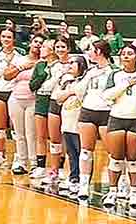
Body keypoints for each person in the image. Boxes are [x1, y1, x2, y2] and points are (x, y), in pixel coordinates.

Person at [99, 45, 136, 209]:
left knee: (133, 160)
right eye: (123, 53)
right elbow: (106, 95)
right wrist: (125, 84)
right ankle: (113, 191)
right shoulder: (115, 75)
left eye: (130, 53)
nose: (126, 56)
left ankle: (133, 192)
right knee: (116, 158)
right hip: (117, 119)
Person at [75, 40, 118, 202]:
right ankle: (84, 184)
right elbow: (79, 90)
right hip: (88, 111)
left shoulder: (114, 71)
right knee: (86, 150)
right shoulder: (91, 71)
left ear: (99, 52)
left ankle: (118, 186)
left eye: (91, 50)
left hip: (107, 113)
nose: (89, 53)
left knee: (113, 152)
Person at [0, 27, 28, 171]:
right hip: (0, 91)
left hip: (15, 92)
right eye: (3, 37)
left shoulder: (21, 53)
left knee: (16, 128)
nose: (6, 40)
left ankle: (19, 157)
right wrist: (3, 68)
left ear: (14, 39)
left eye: (9, 37)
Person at [3, 34, 44, 175]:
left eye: (41, 43)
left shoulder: (44, 62)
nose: (37, 44)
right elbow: (6, 75)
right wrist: (21, 67)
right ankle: (21, 161)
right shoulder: (20, 59)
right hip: (16, 98)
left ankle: (33, 162)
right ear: (30, 43)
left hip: (33, 100)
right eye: (36, 41)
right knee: (19, 133)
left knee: (31, 132)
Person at [51, 56, 88, 197]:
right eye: (70, 62)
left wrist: (72, 92)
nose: (70, 65)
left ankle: (81, 180)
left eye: (74, 63)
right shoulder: (66, 81)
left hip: (79, 123)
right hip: (66, 123)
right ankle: (73, 177)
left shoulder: (85, 81)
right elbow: (58, 97)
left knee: (81, 153)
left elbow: (81, 94)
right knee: (71, 153)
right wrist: (70, 92)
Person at [43, 39, 75, 188]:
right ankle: (54, 171)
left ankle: (70, 173)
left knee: (69, 140)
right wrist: (58, 76)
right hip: (54, 101)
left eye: (63, 46)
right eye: (57, 47)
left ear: (68, 48)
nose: (60, 49)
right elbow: (48, 85)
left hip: (70, 104)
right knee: (54, 139)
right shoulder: (53, 66)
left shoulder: (75, 62)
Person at [28, 39, 57, 180]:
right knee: (41, 136)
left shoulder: (60, 66)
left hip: (54, 101)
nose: (41, 48)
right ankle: (40, 167)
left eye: (45, 46)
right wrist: (43, 74)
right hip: (40, 100)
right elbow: (32, 85)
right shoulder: (39, 65)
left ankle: (57, 168)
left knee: (56, 138)